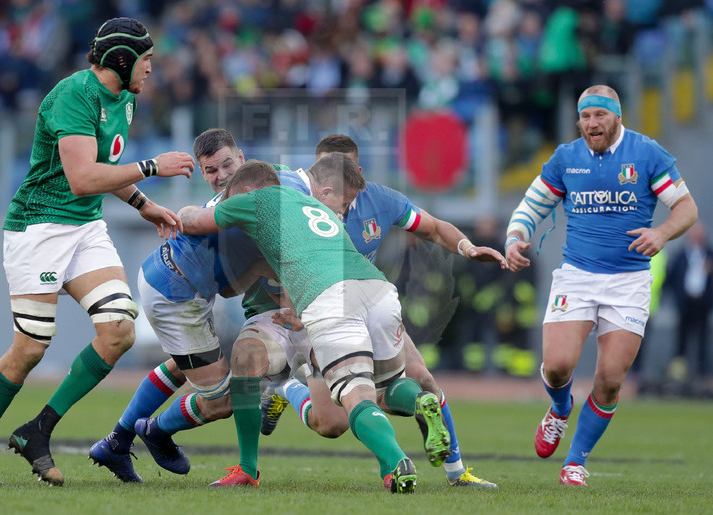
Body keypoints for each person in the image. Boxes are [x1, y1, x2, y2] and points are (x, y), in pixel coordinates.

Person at [0, 17, 196, 486]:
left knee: (119, 330)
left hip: (84, 227)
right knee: (30, 348)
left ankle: (37, 430)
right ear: (121, 62)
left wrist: (144, 204)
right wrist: (150, 168)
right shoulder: (73, 95)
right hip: (38, 228)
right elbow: (84, 177)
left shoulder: (124, 99)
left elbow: (103, 169)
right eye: (145, 61)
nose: (151, 70)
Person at [258, 134, 506, 487]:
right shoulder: (294, 201)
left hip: (369, 304)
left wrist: (467, 247)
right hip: (321, 315)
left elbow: (433, 228)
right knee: (331, 424)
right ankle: (285, 390)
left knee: (421, 378)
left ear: (356, 172)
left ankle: (457, 473)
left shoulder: (382, 201)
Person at [181, 157, 439, 493]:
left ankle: (394, 462)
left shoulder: (254, 200)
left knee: (353, 398)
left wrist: (176, 211)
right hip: (374, 291)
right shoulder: (310, 203)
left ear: (246, 191)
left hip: (327, 302)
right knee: (377, 392)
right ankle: (420, 402)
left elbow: (193, 221)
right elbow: (288, 260)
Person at [504, 85, 698, 486]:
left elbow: (687, 208)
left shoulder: (646, 154)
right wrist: (514, 236)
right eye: (586, 116)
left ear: (617, 116)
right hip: (577, 276)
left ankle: (575, 461)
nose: (592, 123)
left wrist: (661, 234)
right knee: (557, 366)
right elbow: (531, 206)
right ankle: (560, 408)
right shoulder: (567, 158)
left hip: (629, 281)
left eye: (600, 115)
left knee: (610, 378)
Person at [88, 128, 286, 482]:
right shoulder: (246, 204)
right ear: (201, 172)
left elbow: (230, 284)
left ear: (241, 159)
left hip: (171, 281)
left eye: (227, 165)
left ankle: (116, 442)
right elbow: (199, 223)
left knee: (183, 366)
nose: (221, 175)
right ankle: (156, 431)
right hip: (176, 295)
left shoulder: (242, 197)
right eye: (210, 171)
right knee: (224, 400)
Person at [664, 221, 713, 395]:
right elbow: (671, 278)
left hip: (703, 304)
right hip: (685, 304)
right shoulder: (681, 255)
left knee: (702, 341)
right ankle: (678, 378)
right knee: (681, 342)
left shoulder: (709, 255)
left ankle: (702, 377)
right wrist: (676, 299)